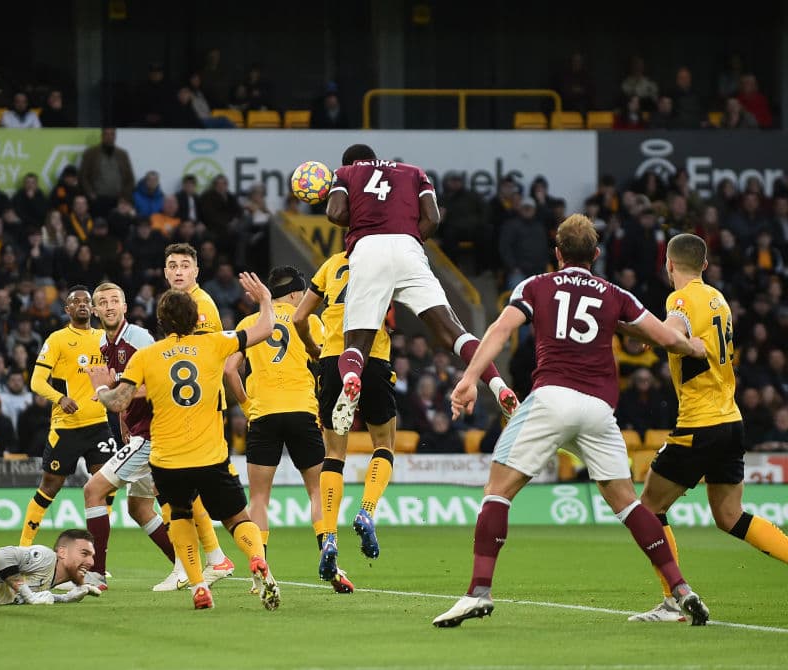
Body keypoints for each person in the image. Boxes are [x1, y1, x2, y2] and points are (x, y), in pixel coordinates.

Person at [432, 214, 710, 628]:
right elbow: (666, 338)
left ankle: (478, 592)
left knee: (497, 491)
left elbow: (500, 329)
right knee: (627, 501)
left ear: (557, 253)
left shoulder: (535, 286)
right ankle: (680, 588)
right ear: (596, 255)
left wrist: (470, 378)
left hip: (552, 398)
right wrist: (695, 347)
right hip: (599, 410)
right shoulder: (615, 294)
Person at [92, 275, 281, 611]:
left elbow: (119, 401)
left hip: (167, 460)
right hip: (211, 456)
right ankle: (256, 557)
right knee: (237, 517)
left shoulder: (147, 356)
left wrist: (102, 388)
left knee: (180, 519)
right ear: (196, 320)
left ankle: (197, 586)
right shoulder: (215, 343)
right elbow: (264, 330)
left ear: (161, 322)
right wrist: (265, 300)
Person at [628, 233, 788, 623]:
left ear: (669, 265)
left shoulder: (678, 298)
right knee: (730, 516)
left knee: (649, 508)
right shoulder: (719, 299)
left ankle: (671, 602)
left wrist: (658, 334)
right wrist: (666, 337)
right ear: (704, 265)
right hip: (731, 421)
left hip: (700, 424)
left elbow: (677, 328)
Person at [325, 144, 519, 437]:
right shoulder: (414, 172)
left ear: (351, 163)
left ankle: (351, 379)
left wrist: (361, 211)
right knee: (453, 331)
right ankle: (499, 386)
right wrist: (409, 240)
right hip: (408, 247)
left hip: (368, 247)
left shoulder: (347, 172)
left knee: (356, 342)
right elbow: (433, 219)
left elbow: (336, 212)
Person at [224, 266, 352, 594]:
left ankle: (259, 567)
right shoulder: (309, 321)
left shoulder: (248, 324)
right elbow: (324, 361)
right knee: (316, 490)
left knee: (260, 498)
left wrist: (246, 405)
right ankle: (330, 558)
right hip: (302, 410)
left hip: (263, 412)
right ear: (296, 294)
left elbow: (229, 369)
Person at [292, 248, 400, 584]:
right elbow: (394, 319)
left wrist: (314, 348)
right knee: (383, 444)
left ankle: (329, 538)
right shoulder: (385, 260)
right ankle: (367, 511)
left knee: (334, 454)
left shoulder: (330, 266)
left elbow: (299, 318)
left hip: (333, 360)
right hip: (374, 357)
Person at [82, 281, 180, 590]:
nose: (109, 306)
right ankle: (185, 566)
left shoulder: (138, 337)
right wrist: (124, 419)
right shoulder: (104, 345)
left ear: (125, 306)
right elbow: (128, 387)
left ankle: (95, 574)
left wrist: (112, 391)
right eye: (103, 302)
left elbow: (159, 381)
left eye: (115, 300)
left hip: (153, 434)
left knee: (92, 491)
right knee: (138, 508)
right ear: (96, 310)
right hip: (137, 431)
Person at [18, 286, 115, 591]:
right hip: (67, 426)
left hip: (99, 424)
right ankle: (23, 549)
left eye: (87, 301)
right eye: (76, 302)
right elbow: (36, 381)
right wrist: (60, 399)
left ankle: (95, 564)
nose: (83, 306)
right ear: (66, 310)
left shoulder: (104, 338)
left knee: (106, 486)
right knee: (50, 486)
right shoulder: (58, 339)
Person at [160, 242, 237, 582]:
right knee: (184, 484)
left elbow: (199, 360)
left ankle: (193, 563)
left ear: (195, 271)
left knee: (182, 482)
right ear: (165, 272)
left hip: (199, 407)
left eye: (184, 266)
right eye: (172, 265)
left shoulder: (200, 306)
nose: (178, 271)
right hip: (188, 407)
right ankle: (210, 558)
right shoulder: (179, 304)